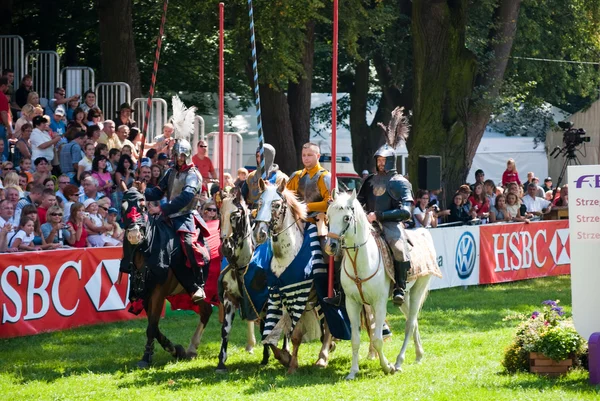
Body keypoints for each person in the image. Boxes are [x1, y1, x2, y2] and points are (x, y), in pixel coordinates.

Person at [141, 97, 210, 304]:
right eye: (175, 155)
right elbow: (159, 191)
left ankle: (198, 285)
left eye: (181, 156)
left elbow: (187, 197)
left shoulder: (193, 174)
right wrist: (143, 191)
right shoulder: (170, 172)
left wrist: (163, 209)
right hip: (168, 215)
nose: (177, 159)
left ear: (187, 155)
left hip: (185, 216)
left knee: (189, 245)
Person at [356, 121, 413, 306]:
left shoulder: (400, 182)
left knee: (398, 250)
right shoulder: (370, 180)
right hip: (366, 223)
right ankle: (342, 289)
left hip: (390, 224)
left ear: (390, 161)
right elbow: (359, 202)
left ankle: (399, 287)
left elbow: (406, 212)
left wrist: (379, 215)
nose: (380, 163)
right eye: (378, 160)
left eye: (383, 160)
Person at [287, 142, 331, 222]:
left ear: (318, 156)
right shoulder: (296, 176)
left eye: (309, 155)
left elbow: (329, 203)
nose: (306, 158)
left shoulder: (325, 176)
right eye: (304, 155)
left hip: (318, 222)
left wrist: (306, 207)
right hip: (295, 220)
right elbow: (285, 198)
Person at [0, 77, 14, 161]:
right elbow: (3, 113)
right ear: (3, 86)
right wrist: (9, 129)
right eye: (7, 86)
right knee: (3, 148)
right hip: (0, 126)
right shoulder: (2, 97)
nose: (8, 88)